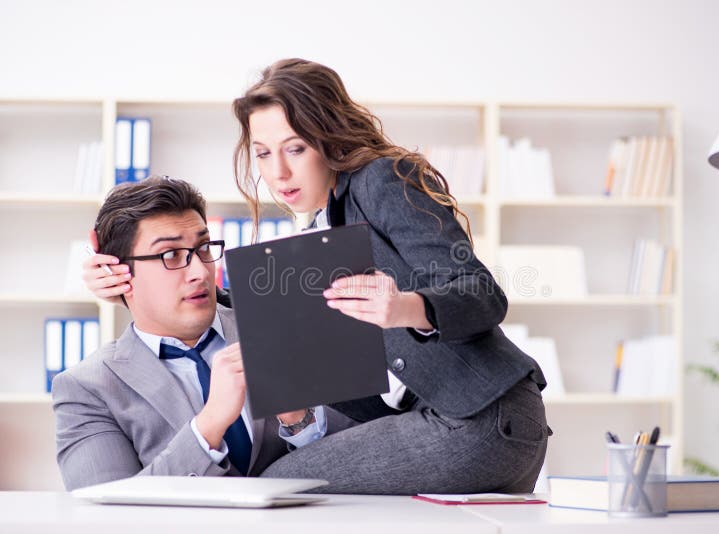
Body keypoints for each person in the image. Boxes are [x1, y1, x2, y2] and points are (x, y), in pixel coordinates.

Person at [85, 58, 550, 495]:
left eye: (296, 148)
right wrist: (130, 286)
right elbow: (258, 307)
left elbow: (482, 292)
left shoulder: (381, 179)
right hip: (452, 420)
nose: (277, 172)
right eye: (263, 154)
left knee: (278, 485)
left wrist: (409, 308)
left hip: (481, 417)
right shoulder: (318, 225)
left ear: (329, 138)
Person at [56, 176, 352, 491]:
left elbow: (372, 448)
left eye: (204, 248)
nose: (200, 272)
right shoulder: (87, 388)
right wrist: (207, 427)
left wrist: (300, 418)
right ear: (118, 271)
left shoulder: (278, 327)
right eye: (170, 255)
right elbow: (104, 512)